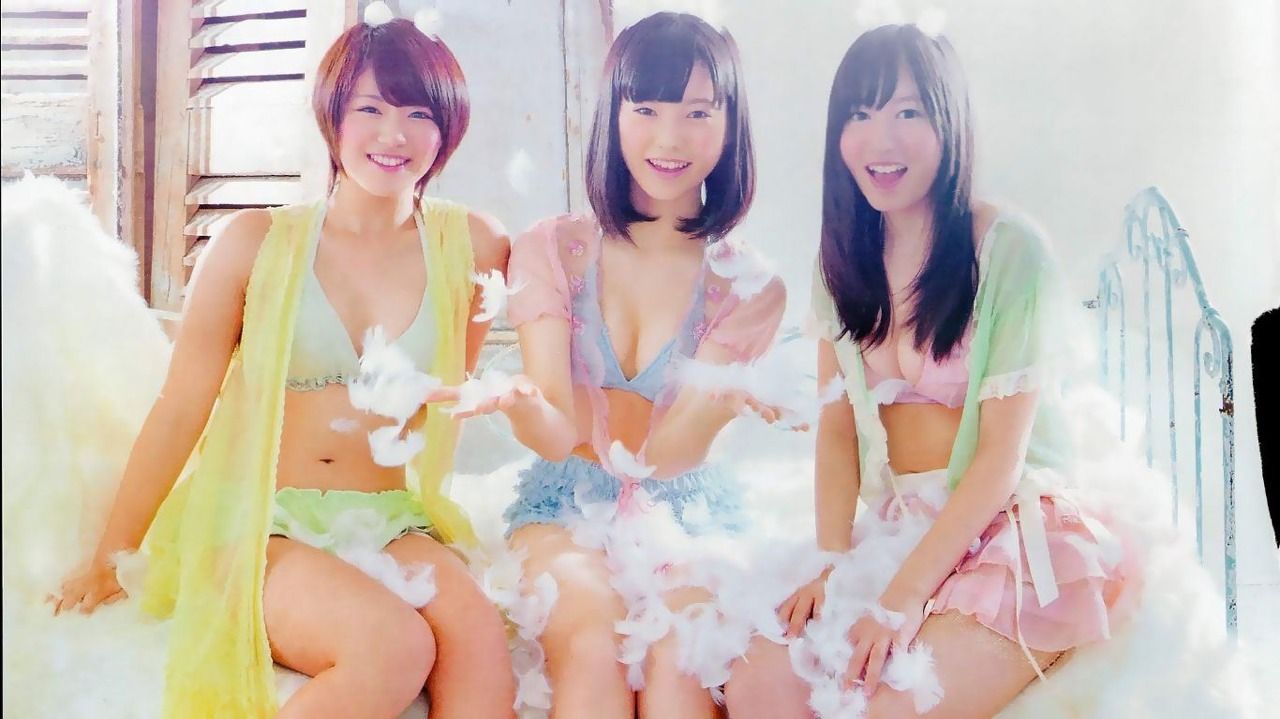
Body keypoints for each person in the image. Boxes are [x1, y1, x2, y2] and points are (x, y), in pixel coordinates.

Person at [52, 18, 516, 719]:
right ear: (332, 116)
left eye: (420, 114)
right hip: (262, 522)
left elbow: (452, 395)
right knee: (391, 646)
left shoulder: (474, 246)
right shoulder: (253, 242)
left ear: (448, 128)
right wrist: (108, 555)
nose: (394, 135)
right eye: (371, 109)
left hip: (391, 519)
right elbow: (182, 406)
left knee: (480, 641)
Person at [725, 24, 1141, 718]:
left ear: (949, 122)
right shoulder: (839, 264)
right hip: (901, 526)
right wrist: (831, 562)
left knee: (888, 705)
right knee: (756, 684)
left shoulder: (1007, 251)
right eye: (860, 114)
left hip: (1007, 525)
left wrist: (902, 598)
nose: (880, 140)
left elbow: (1000, 458)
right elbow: (836, 429)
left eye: (908, 112)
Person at [448, 12, 786, 718]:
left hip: (691, 507)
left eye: (698, 112)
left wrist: (720, 405)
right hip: (563, 501)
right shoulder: (552, 248)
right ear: (614, 114)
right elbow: (557, 432)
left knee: (682, 653)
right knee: (591, 637)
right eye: (647, 109)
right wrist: (519, 401)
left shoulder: (750, 284)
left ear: (730, 125)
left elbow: (669, 455)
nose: (670, 138)